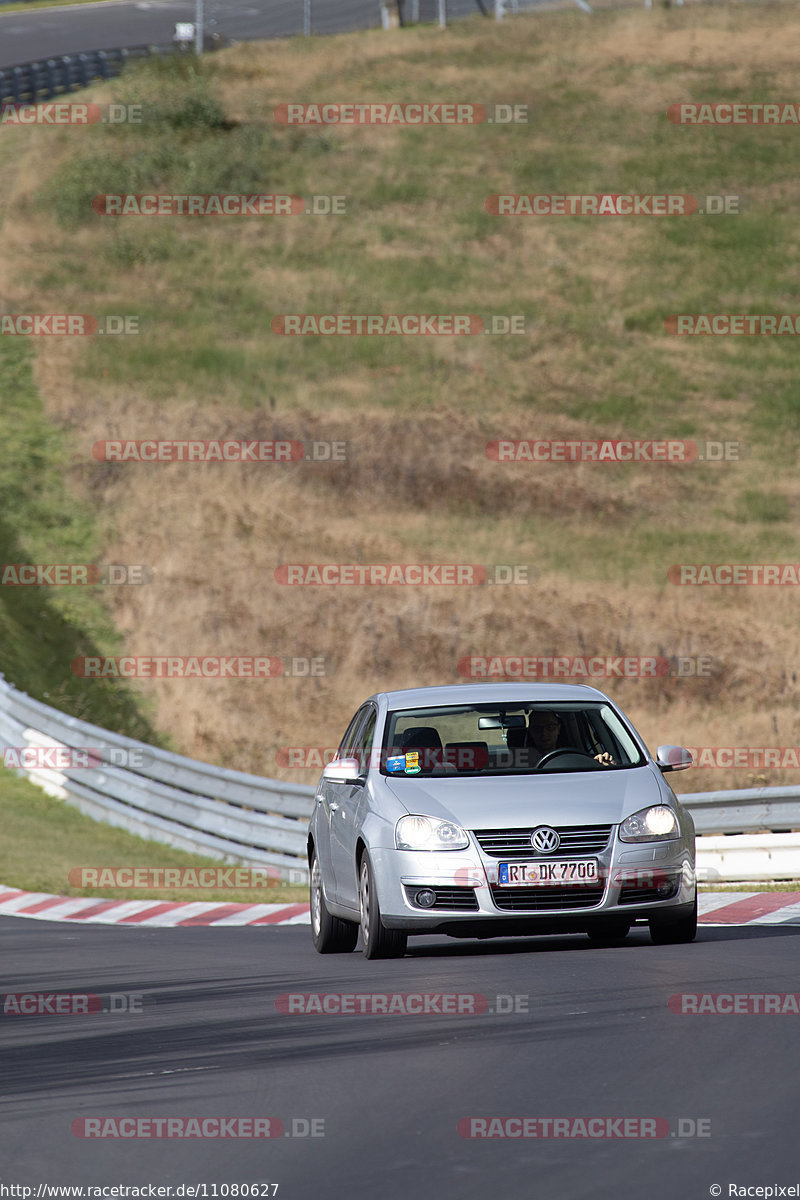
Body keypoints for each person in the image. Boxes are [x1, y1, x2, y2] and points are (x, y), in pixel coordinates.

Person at [525, 711, 614, 766]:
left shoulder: (576, 757)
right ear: (530, 731)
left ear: (559, 728)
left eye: (550, 727)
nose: (544, 733)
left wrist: (598, 763)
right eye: (537, 728)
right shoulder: (517, 760)